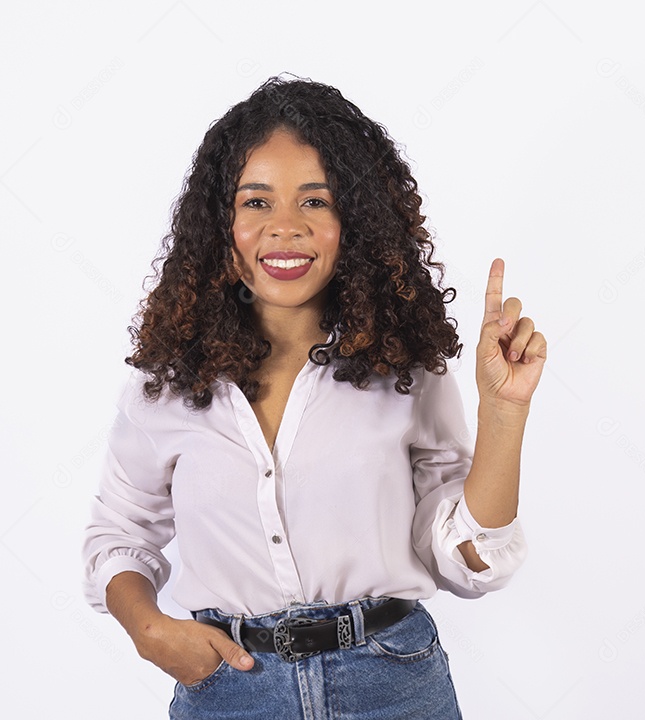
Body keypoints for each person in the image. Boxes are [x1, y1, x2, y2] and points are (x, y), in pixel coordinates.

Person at [81, 75, 546, 719]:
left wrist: (504, 412)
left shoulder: (404, 368)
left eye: (316, 202)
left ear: (351, 223)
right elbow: (119, 532)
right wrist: (150, 631)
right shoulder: (168, 382)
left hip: (391, 685)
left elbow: (470, 561)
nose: (285, 228)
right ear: (222, 223)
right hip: (228, 689)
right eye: (256, 202)